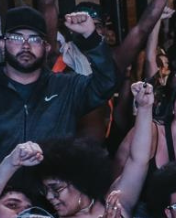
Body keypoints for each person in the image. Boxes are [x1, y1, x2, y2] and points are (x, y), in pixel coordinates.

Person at [0, 6, 119, 156]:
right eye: (17, 38)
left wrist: (91, 37)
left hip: (55, 171)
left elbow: (106, 83)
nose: (26, 46)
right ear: (2, 44)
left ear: (46, 47)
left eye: (35, 39)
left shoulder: (66, 87)